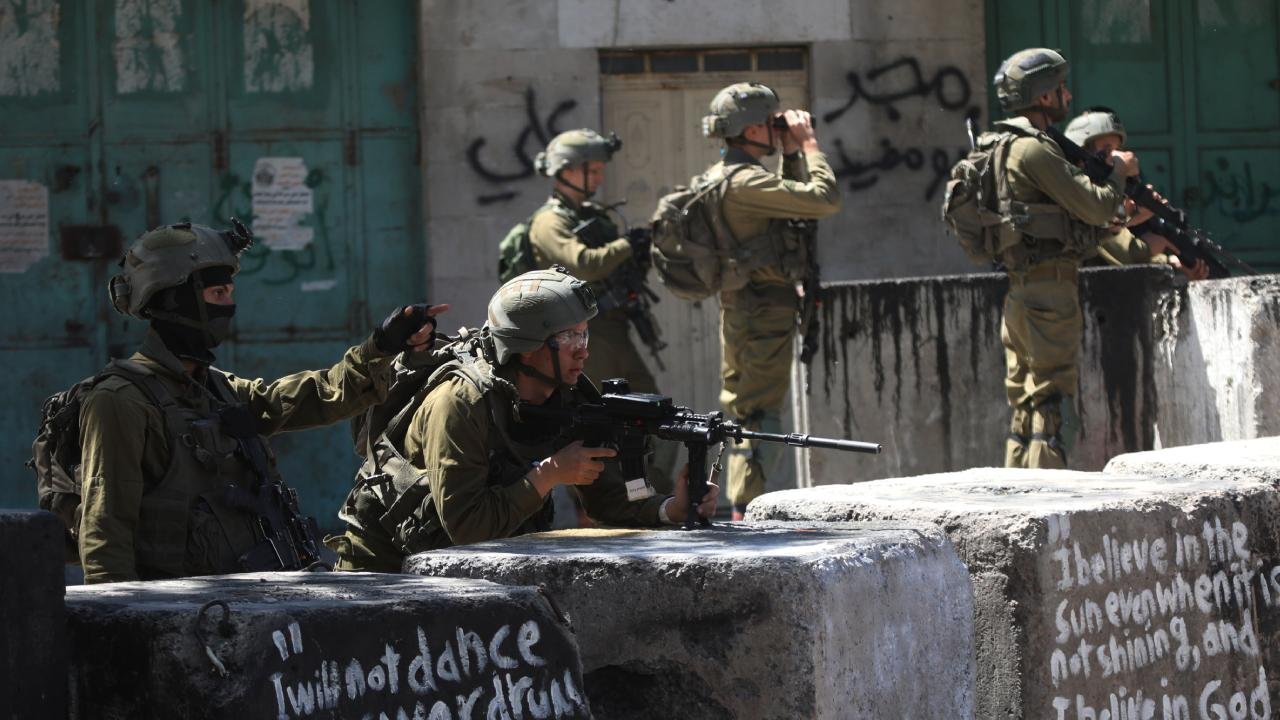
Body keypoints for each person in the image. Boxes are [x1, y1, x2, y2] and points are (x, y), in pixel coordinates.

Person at [78, 221, 442, 583]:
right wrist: (120, 613)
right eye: (217, 293)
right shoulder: (120, 401)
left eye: (230, 292)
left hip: (246, 601)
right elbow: (105, 532)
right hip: (180, 608)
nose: (229, 305)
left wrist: (381, 347)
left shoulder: (216, 389)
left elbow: (311, 396)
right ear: (174, 298)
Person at [331, 267, 719, 572]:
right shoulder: (461, 403)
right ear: (527, 348)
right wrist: (548, 475)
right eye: (569, 339)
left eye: (584, 336)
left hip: (469, 570)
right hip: (384, 571)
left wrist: (671, 508)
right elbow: (466, 527)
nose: (583, 351)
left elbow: (608, 500)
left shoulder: (566, 394)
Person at [988, 49, 1140, 469]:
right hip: (1050, 292)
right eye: (1060, 88)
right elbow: (1097, 206)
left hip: (1021, 289)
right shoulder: (1034, 150)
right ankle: (1045, 496)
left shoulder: (1004, 143)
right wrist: (1119, 171)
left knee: (1025, 404)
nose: (1068, 96)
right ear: (1042, 96)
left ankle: (1018, 489)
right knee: (1052, 402)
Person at [698, 82, 840, 519]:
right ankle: (744, 509)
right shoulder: (746, 183)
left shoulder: (727, 177)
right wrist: (810, 146)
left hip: (745, 307)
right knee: (760, 415)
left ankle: (739, 503)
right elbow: (823, 198)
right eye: (768, 121)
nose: (776, 127)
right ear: (750, 129)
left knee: (745, 410)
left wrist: (789, 154)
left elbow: (789, 207)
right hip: (763, 313)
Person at [529, 128, 660, 394]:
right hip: (583, 332)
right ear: (567, 171)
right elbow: (584, 265)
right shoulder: (549, 222)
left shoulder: (592, 214)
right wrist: (627, 244)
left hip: (612, 327)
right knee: (606, 404)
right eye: (594, 170)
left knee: (647, 400)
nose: (600, 178)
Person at [1064, 109, 1209, 280]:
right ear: (1081, 157)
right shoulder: (1077, 198)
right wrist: (1163, 248)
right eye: (1107, 150)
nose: (1119, 158)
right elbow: (1131, 253)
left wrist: (1172, 262)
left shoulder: (1115, 193)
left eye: (1118, 150)